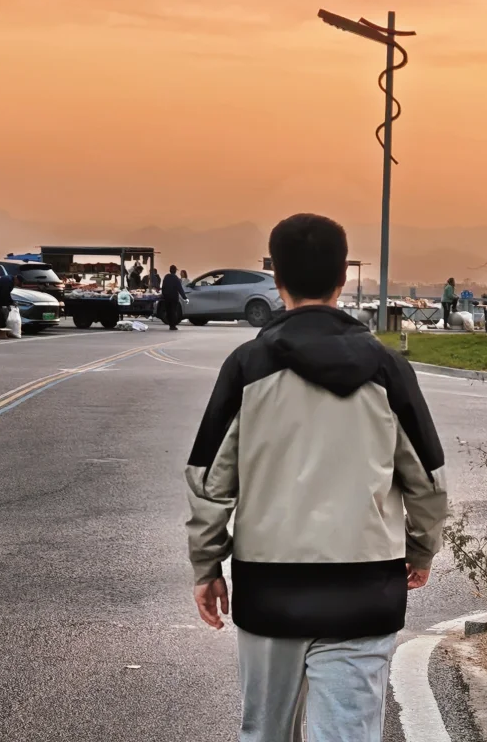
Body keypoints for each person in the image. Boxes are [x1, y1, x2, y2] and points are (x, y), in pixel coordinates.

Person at [186, 213, 448, 742]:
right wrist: (420, 550)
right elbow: (427, 480)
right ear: (342, 279)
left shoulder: (246, 367)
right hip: (364, 591)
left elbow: (210, 479)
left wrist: (207, 563)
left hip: (270, 589)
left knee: (264, 733)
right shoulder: (386, 368)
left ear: (275, 277)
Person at [160, 265, 187, 331]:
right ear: (175, 271)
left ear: (170, 270)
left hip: (167, 297)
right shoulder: (176, 278)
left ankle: (170, 324)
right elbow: (180, 288)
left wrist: (163, 295)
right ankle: (173, 325)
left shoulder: (166, 277)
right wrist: (184, 297)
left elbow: (163, 287)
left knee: (168, 311)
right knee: (173, 311)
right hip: (174, 297)